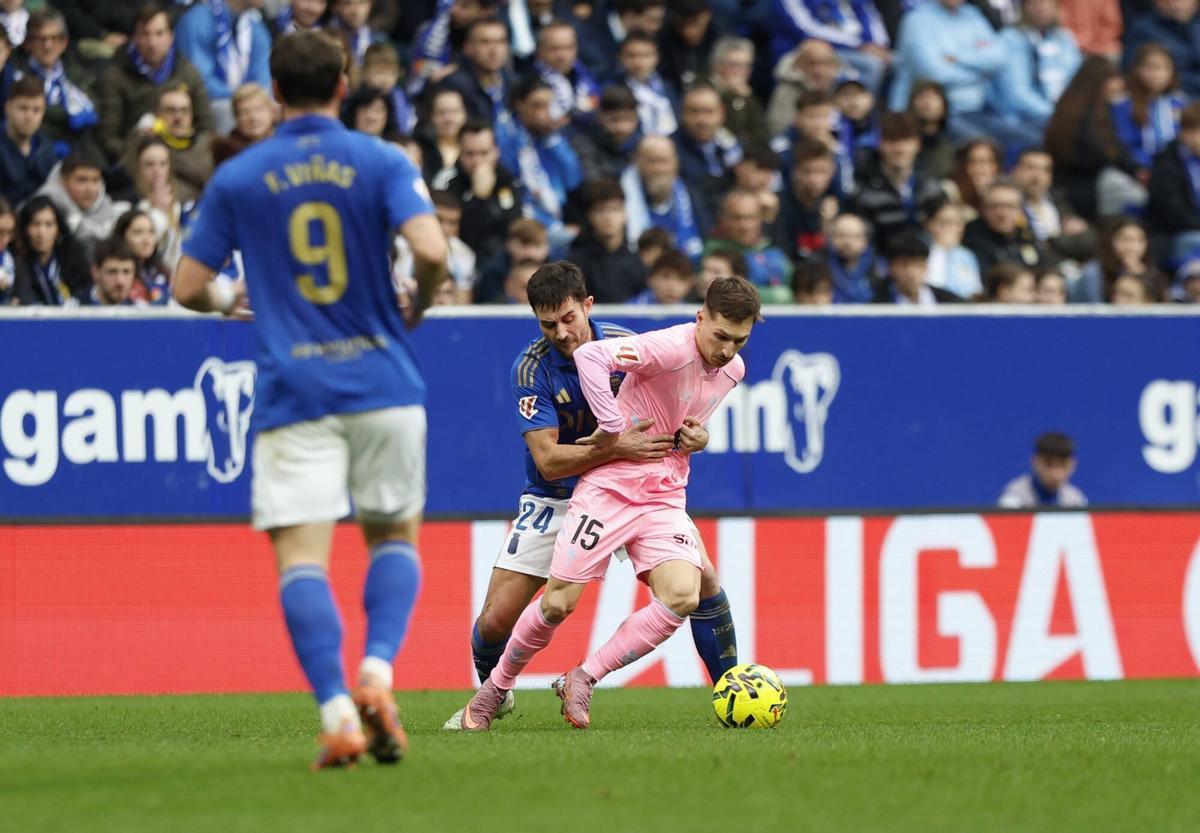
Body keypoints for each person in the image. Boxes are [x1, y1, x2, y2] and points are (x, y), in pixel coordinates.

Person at [172, 30, 450, 770]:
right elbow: (430, 250)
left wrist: (235, 295)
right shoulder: (382, 159)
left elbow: (187, 285)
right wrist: (414, 303)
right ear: (344, 81)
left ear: (273, 87)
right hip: (385, 380)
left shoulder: (240, 175)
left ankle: (335, 712)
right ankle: (378, 672)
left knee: (302, 560)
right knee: (393, 538)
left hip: (295, 389)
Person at [457, 274, 761, 731]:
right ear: (700, 320)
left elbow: (682, 411)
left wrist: (698, 436)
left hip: (658, 492)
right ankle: (493, 690)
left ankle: (596, 679)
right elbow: (549, 459)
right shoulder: (535, 367)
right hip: (571, 488)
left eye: (738, 340)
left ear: (588, 306)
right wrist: (615, 432)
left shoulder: (725, 368)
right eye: (548, 324)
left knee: (692, 589)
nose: (727, 350)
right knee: (530, 611)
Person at [97, 3, 215, 166]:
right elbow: (108, 137)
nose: (152, 42)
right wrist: (138, 157)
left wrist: (191, 153)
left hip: (185, 158)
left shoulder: (188, 71)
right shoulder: (114, 75)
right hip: (137, 162)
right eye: (145, 34)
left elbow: (206, 127)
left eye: (159, 33)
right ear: (134, 37)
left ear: (171, 36)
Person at [432, 119, 523, 265]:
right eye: (470, 154)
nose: (477, 161)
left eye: (484, 153)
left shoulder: (508, 181)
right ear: (460, 153)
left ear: (496, 152)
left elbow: (513, 225)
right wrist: (478, 197)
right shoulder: (446, 182)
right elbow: (458, 233)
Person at [174, 0, 272, 134]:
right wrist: (239, 99)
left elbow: (263, 76)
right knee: (227, 108)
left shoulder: (254, 25)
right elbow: (200, 80)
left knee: (269, 103)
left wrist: (252, 99)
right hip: (213, 103)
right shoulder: (196, 21)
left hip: (246, 99)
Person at [850, 112, 945, 249]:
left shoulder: (930, 185)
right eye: (892, 141)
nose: (900, 149)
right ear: (880, 144)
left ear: (918, 144)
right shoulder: (863, 188)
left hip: (926, 260)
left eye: (906, 140)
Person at [13, 8, 97, 155]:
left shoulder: (77, 74)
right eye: (41, 39)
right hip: (38, 153)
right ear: (28, 44)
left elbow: (95, 110)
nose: (48, 46)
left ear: (64, 42)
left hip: (81, 152)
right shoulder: (18, 77)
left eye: (54, 38)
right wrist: (66, 117)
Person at [622, 134, 707, 262]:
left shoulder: (691, 195)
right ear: (638, 162)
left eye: (664, 161)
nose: (659, 169)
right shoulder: (622, 195)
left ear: (676, 163)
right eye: (652, 161)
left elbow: (705, 236)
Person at [36, 147, 131, 257]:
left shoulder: (106, 205)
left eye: (95, 180)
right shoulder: (43, 206)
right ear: (63, 181)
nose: (90, 189)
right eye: (82, 180)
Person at [702, 189, 794, 304]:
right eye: (737, 218)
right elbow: (725, 293)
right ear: (724, 220)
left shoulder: (774, 252)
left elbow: (795, 289)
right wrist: (777, 296)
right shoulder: (715, 251)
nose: (744, 225)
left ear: (760, 219)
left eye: (751, 218)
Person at [566, 178, 647, 302]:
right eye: (600, 210)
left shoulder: (639, 265)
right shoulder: (574, 265)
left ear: (625, 214)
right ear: (589, 215)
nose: (608, 217)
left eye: (615, 209)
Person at [10, 194, 89, 306]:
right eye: (35, 224)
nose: (41, 232)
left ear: (58, 229)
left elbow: (85, 290)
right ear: (25, 228)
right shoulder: (15, 261)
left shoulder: (74, 256)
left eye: (49, 224)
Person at [437, 17, 512, 123]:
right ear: (468, 47)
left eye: (501, 42)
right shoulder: (454, 85)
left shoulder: (516, 84)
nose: (494, 50)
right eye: (485, 42)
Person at [963, 179, 1045, 275]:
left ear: (1020, 210)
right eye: (994, 206)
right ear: (982, 209)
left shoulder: (1025, 236)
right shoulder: (971, 239)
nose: (1002, 214)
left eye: (1010, 206)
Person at [1124, 0, 1200, 98]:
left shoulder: (1196, 26)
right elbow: (1133, 71)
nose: (1179, 5)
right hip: (1167, 97)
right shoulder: (1144, 30)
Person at [0, 74, 56, 206]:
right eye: (23, 108)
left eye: (36, 110)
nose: (29, 116)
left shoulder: (46, 149)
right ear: (7, 108)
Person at [532, 18, 599, 128]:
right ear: (539, 51)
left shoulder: (586, 76)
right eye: (554, 49)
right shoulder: (532, 82)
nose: (562, 56)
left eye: (568, 48)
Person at [570, 84, 642, 182]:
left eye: (628, 120)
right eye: (614, 120)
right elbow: (594, 185)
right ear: (600, 116)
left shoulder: (639, 144)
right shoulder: (583, 141)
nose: (622, 128)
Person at [998, 432, 1087, 508]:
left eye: (1062, 464)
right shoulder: (1014, 496)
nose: (1055, 472)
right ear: (1035, 462)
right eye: (1049, 463)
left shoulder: (1076, 500)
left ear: (1073, 465)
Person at [872, 232, 962, 305]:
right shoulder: (877, 306)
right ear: (891, 267)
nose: (911, 273)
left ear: (926, 267)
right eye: (904, 265)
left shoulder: (951, 303)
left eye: (919, 265)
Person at [923, 196, 982, 300]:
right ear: (929, 224)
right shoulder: (921, 252)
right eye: (945, 223)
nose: (954, 229)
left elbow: (975, 292)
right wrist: (940, 249)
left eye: (958, 223)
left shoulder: (967, 255)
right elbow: (932, 287)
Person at [115, 207, 172, 305]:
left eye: (151, 232)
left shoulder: (163, 272)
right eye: (138, 232)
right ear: (122, 237)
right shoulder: (115, 274)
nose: (147, 240)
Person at [211, 81, 275, 165]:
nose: (253, 117)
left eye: (259, 109)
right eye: (245, 112)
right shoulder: (228, 153)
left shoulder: (286, 142)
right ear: (236, 118)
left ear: (271, 112)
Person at [86, 237, 141, 307]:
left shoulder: (143, 313)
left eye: (126, 272)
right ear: (95, 272)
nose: (120, 281)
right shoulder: (72, 312)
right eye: (112, 272)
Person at [632, 247, 696, 303]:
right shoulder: (629, 311)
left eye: (681, 278)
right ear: (650, 279)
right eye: (665, 277)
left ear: (690, 284)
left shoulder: (694, 314)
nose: (672, 287)